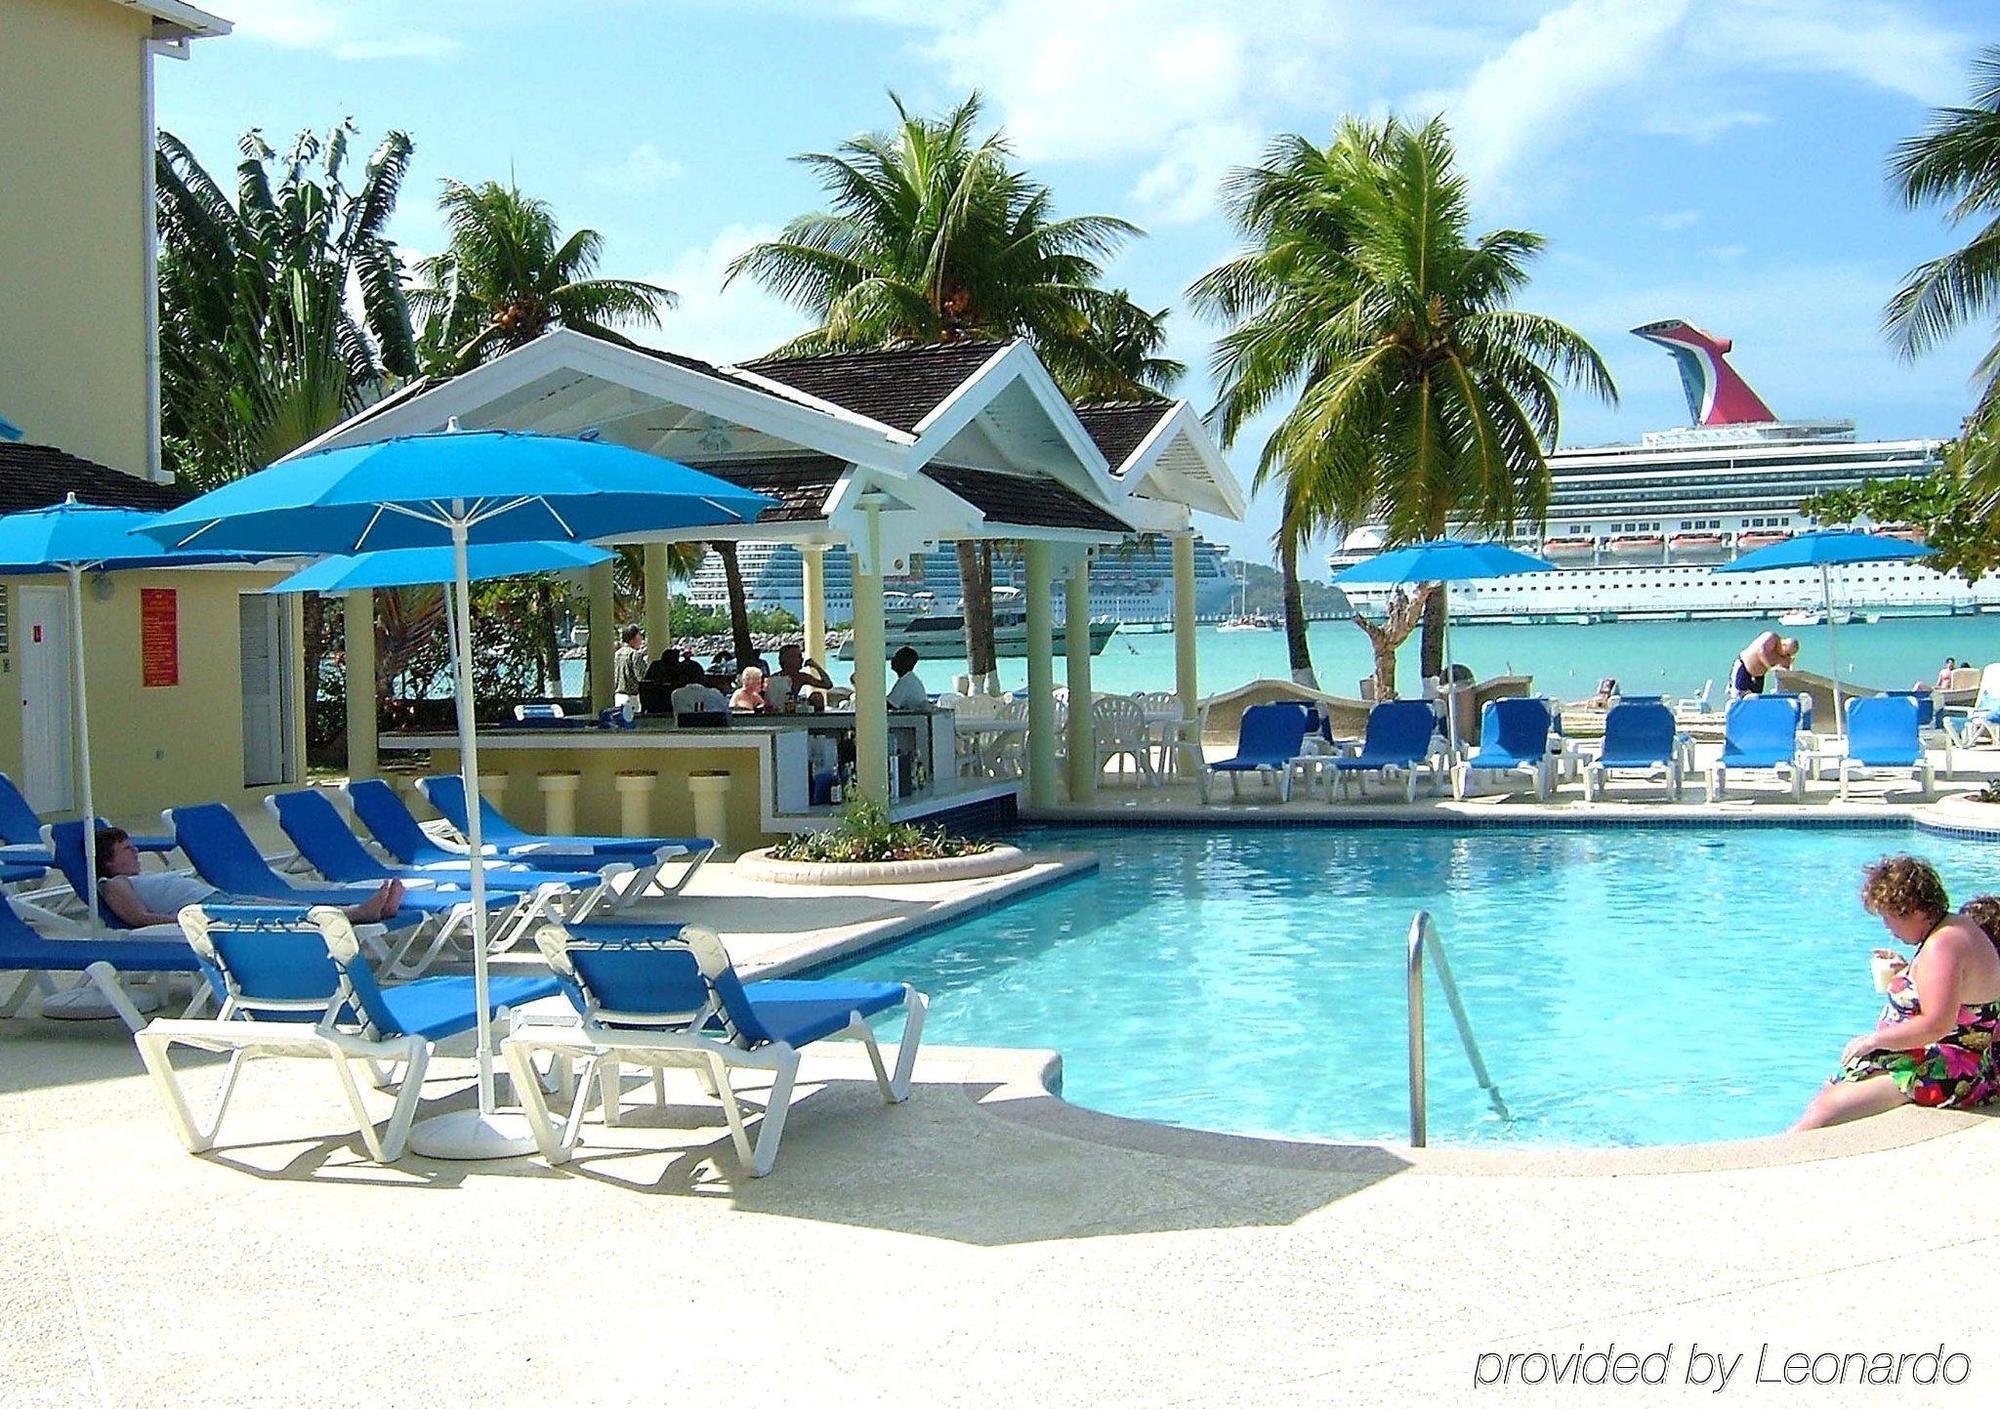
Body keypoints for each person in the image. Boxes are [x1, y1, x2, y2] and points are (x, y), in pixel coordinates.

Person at [1794, 856, 2000, 1129]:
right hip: (1946, 1059)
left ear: (1912, 910)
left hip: (1953, 1070)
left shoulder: (1943, 946)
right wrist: (1907, 973)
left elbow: (1937, 1024)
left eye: (1887, 917)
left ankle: (1774, 1160)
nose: (1886, 926)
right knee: (1831, 1096)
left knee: (1825, 1111)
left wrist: (1874, 1041)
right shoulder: (1950, 930)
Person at [94, 826, 404, 929]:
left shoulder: (136, 878)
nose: (135, 851)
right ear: (108, 862)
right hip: (207, 911)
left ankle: (362, 912)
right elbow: (139, 919)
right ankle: (359, 913)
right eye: (125, 849)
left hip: (216, 900)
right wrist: (191, 921)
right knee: (280, 916)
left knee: (286, 908)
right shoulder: (115, 885)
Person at [1729, 631, 1799, 700]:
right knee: (1739, 693)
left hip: (1759, 676)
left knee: (1756, 698)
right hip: (1744, 666)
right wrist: (1770, 667)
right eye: (1787, 653)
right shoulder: (1772, 638)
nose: (1786, 656)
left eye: (1789, 654)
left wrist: (1789, 668)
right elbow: (1761, 651)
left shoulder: (1784, 658)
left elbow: (1785, 675)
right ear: (1783, 644)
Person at [613, 625, 648, 711]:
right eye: (640, 635)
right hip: (631, 697)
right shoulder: (634, 654)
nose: (641, 639)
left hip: (618, 696)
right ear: (634, 637)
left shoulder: (617, 654)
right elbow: (641, 677)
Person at [886, 645, 930, 710]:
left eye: (897, 657)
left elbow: (889, 705)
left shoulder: (906, 681)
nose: (892, 660)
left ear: (905, 662)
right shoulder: (909, 678)